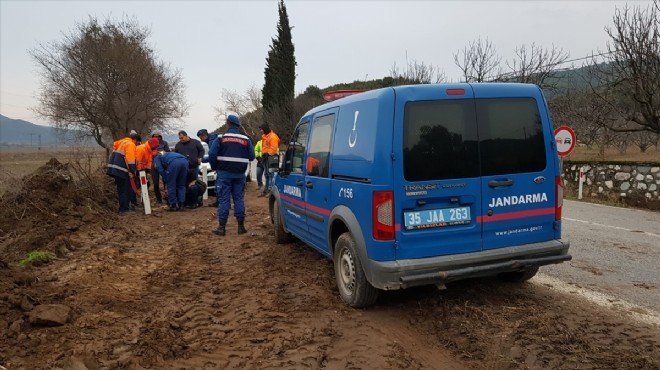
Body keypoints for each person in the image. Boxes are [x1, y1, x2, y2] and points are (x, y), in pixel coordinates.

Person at [209, 114, 255, 236]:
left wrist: (215, 167)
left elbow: (212, 155)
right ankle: (241, 227)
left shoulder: (220, 138)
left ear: (227, 123)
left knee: (224, 200)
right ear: (238, 126)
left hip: (224, 174)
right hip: (239, 175)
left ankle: (221, 228)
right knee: (239, 199)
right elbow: (252, 156)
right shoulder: (246, 140)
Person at [106, 132, 140, 214]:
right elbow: (130, 160)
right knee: (125, 190)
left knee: (121, 189)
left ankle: (123, 208)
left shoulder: (122, 143)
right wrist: (133, 171)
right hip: (121, 170)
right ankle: (124, 209)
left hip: (115, 169)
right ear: (135, 140)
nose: (137, 145)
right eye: (137, 143)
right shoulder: (130, 144)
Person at [197, 128, 219, 207]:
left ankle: (219, 202)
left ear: (205, 135)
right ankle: (219, 202)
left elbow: (213, 156)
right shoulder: (213, 139)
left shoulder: (212, 142)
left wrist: (203, 159)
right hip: (221, 165)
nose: (201, 140)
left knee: (219, 185)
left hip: (219, 166)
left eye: (201, 137)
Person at [259, 123, 280, 197]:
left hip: (272, 157)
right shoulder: (265, 137)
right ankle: (266, 190)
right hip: (266, 157)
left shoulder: (272, 136)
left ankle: (271, 192)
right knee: (267, 175)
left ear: (264, 129)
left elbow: (274, 148)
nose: (260, 131)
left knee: (271, 175)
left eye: (261, 129)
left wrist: (268, 154)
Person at [150, 131, 170, 204]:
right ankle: (159, 199)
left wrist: (161, 152)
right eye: (155, 136)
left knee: (166, 181)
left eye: (158, 136)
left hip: (163, 164)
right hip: (153, 165)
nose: (157, 138)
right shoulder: (149, 143)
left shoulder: (164, 143)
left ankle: (167, 196)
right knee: (155, 183)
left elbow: (168, 152)